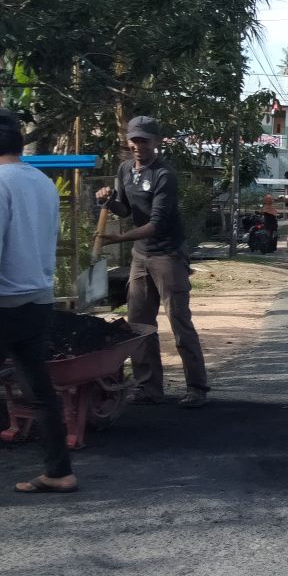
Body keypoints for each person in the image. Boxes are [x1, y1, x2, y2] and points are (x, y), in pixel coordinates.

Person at [96, 116, 209, 407]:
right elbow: (123, 209)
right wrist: (107, 200)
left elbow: (156, 225)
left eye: (144, 140)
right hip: (140, 256)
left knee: (179, 321)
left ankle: (197, 388)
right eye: (134, 140)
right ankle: (149, 388)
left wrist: (118, 240)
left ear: (157, 142)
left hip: (167, 255)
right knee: (139, 326)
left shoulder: (164, 175)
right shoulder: (124, 170)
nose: (138, 145)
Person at [0, 110, 77, 494]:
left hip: (4, 301)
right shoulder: (43, 183)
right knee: (40, 389)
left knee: (36, 387)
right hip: (38, 299)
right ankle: (58, 471)